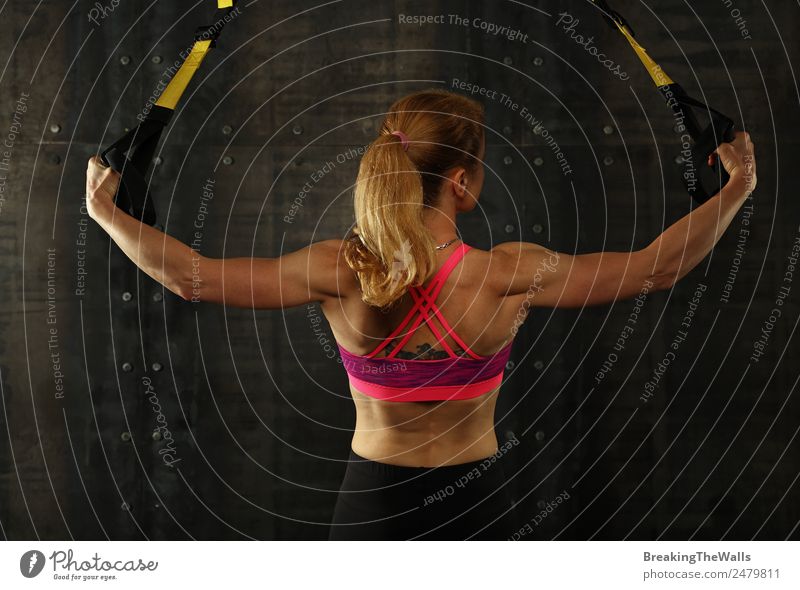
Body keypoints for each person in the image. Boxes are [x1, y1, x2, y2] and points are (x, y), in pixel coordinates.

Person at [85, 89, 757, 540]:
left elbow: (188, 277)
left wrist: (105, 213)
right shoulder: (507, 274)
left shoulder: (338, 270)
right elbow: (655, 268)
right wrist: (735, 192)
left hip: (367, 506)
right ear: (461, 183)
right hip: (480, 505)